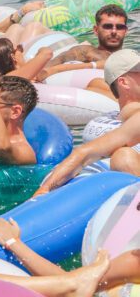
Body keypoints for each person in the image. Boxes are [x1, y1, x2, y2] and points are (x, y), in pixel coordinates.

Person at [35, 49, 140, 193]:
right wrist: (44, 190)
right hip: (102, 187)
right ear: (123, 82)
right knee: (123, 157)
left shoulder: (108, 118)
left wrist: (44, 189)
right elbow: (86, 153)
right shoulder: (132, 116)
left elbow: (84, 152)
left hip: (91, 183)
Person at [40, 4, 128, 76]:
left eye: (120, 27)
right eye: (107, 26)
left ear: (126, 31)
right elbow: (45, 69)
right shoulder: (85, 51)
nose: (114, 31)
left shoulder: (130, 57)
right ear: (96, 30)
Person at [0, 37, 103, 83]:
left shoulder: (27, 74)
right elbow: (47, 53)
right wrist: (40, 51)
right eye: (19, 49)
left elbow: (56, 68)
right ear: (13, 57)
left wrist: (94, 65)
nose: (22, 52)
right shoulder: (10, 77)